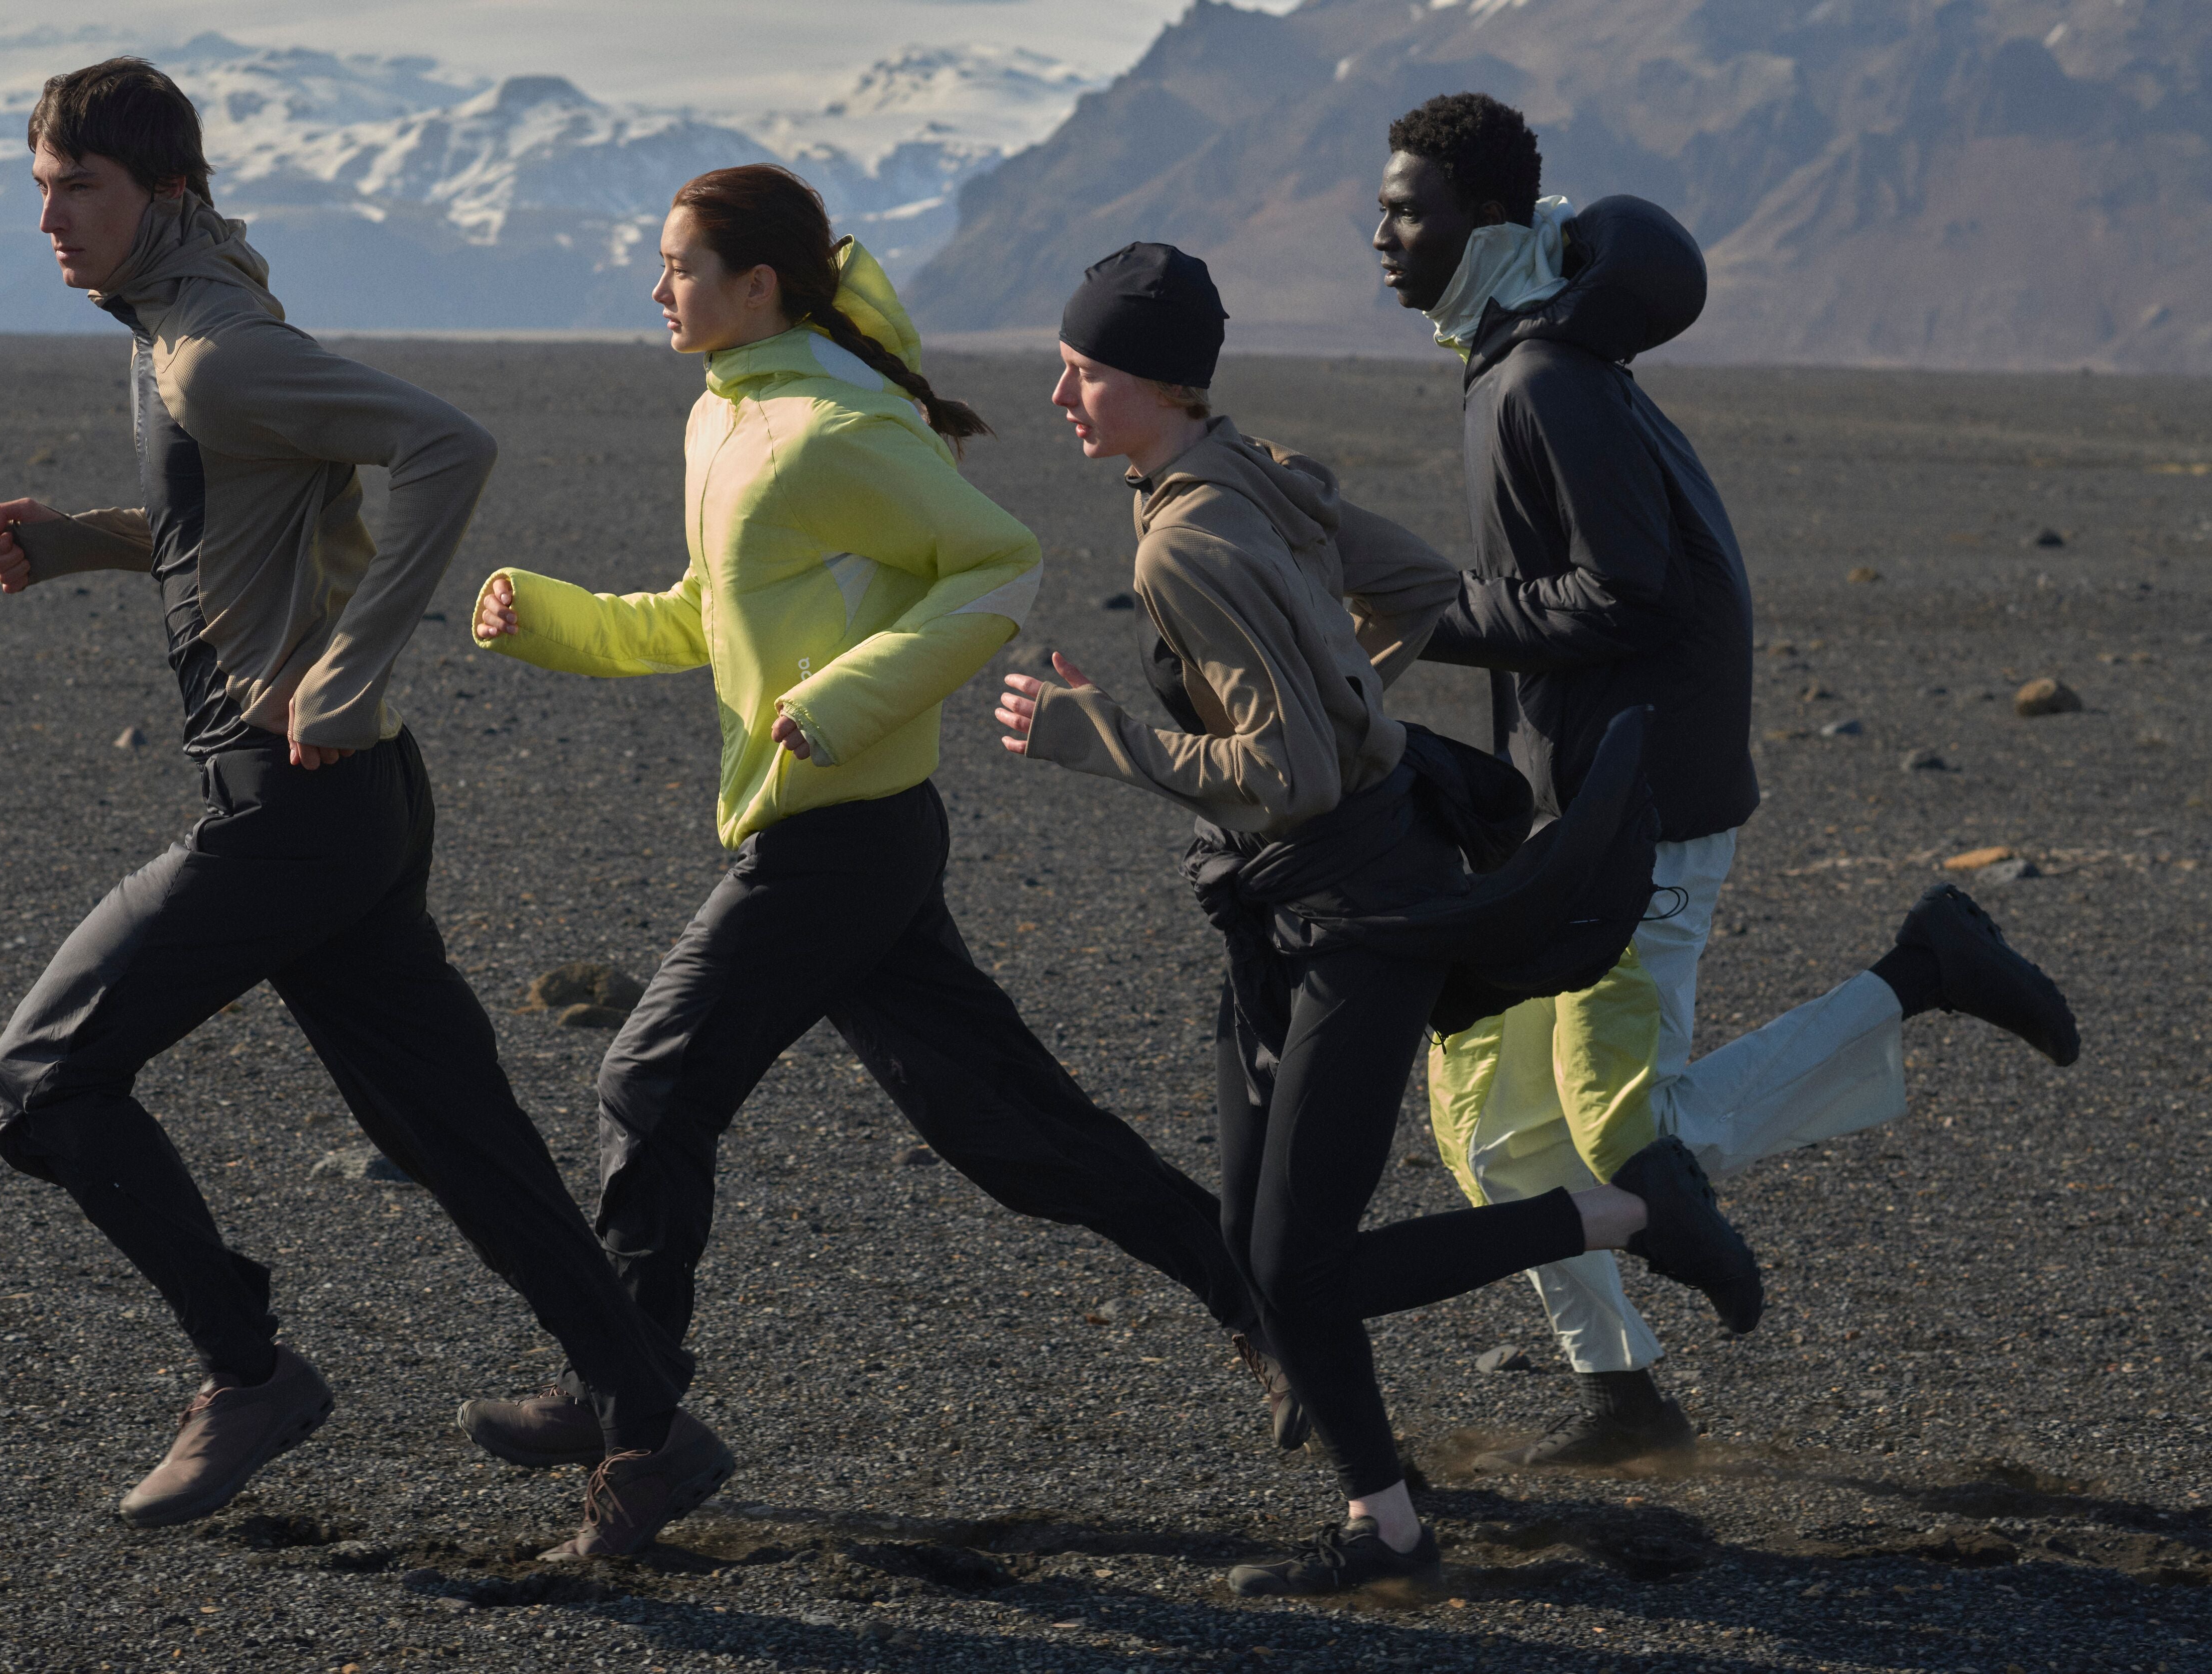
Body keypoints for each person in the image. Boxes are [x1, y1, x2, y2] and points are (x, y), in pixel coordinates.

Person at [0, 57, 729, 1558]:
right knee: (454, 1135)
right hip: (356, 804)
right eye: (42, 188)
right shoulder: (179, 320)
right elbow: (258, 517)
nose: (51, 218)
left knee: (45, 1078)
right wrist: (84, 542)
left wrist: (344, 669)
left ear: (166, 192)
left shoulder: (215, 351)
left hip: (293, 810)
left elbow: (449, 445)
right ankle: (650, 1421)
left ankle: (248, 1374)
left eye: (82, 189)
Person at [455, 164, 1292, 1481]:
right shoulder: (724, 418)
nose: (657, 288)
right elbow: (702, 616)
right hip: (841, 835)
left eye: (678, 266)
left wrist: (848, 698)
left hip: (838, 842)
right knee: (1015, 1133)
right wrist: (546, 617)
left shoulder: (832, 430)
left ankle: (629, 1408)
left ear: (757, 286)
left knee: (648, 1084)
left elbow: (1002, 561)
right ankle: (1274, 1313)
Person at [992, 241, 1767, 1597]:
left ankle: (1616, 1223)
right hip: (1298, 898)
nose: (1060, 395)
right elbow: (1415, 590)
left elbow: (1285, 775)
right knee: (1262, 1252)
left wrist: (1098, 734)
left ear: (1162, 384)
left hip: (1358, 910)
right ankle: (1388, 1518)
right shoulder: (1250, 472)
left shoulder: (1186, 538)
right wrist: (1343, 681)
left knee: (1299, 1267)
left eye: (1085, 372)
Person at [1371, 92, 2080, 1470]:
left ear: (1489, 221)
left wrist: (1431, 621)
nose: (1382, 235)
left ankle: (1923, 972)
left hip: (1643, 808)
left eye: (1407, 210)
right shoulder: (1520, 361)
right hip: (1563, 806)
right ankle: (1623, 1396)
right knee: (1497, 1133)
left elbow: (1625, 594)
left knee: (1629, 1129)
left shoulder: (1546, 380)